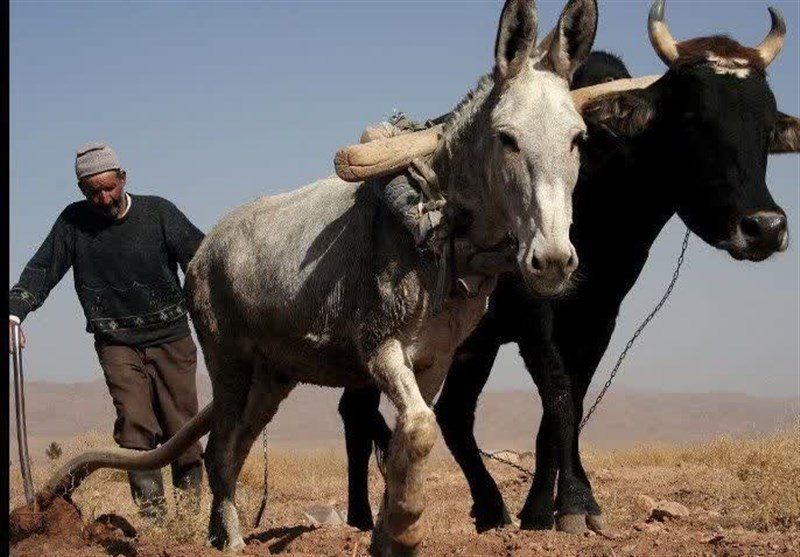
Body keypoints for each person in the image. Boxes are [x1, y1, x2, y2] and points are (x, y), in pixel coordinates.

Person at [8, 143, 205, 521]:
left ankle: (189, 522)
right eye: (93, 191)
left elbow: (201, 260)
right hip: (117, 343)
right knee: (135, 430)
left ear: (123, 178)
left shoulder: (159, 213)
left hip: (171, 338)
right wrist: (15, 312)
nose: (103, 197)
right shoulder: (73, 223)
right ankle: (154, 524)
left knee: (184, 430)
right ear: (82, 190)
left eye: (109, 187)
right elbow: (41, 271)